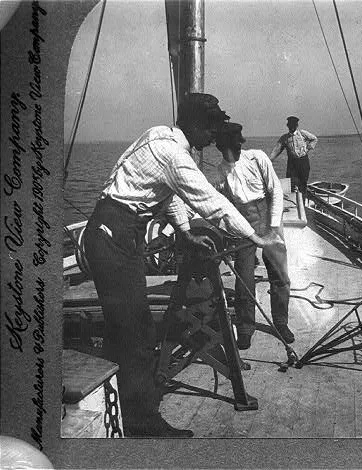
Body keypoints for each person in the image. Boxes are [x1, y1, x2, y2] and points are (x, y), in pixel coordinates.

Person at [83, 93, 282, 438]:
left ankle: (123, 405)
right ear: (193, 124)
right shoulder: (175, 154)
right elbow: (210, 201)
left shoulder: (159, 135)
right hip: (115, 235)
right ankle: (142, 421)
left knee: (125, 329)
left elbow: (168, 193)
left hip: (112, 231)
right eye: (211, 127)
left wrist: (185, 233)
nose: (213, 136)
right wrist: (256, 235)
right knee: (139, 330)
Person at [213, 122, 293, 350]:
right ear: (221, 148)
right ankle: (246, 328)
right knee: (243, 279)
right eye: (232, 146)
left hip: (269, 217)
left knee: (279, 274)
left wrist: (274, 227)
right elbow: (219, 206)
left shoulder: (258, 158)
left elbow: (276, 191)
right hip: (243, 225)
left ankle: (281, 323)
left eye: (239, 145)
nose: (237, 150)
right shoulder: (220, 174)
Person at [269, 115, 317, 198]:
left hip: (303, 161)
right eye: (290, 125)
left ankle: (302, 202)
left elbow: (314, 139)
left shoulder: (302, 133)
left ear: (296, 126)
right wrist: (269, 161)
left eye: (293, 125)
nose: (291, 127)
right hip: (292, 163)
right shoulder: (284, 138)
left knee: (303, 183)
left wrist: (307, 149)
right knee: (291, 183)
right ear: (288, 126)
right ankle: (293, 202)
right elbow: (277, 149)